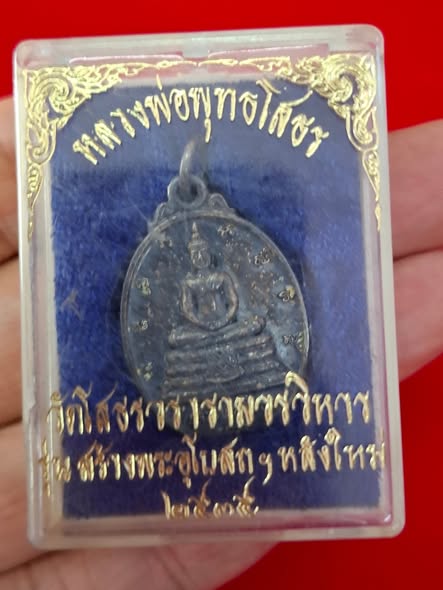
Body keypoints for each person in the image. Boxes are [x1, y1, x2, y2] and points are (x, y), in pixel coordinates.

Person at [0, 96, 441, 589]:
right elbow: (189, 312)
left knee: (253, 330)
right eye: (192, 257)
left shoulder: (221, 274)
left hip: (233, 331)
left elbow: (233, 306)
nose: (199, 261)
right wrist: (204, 326)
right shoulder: (191, 282)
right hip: (197, 339)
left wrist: (224, 324)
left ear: (209, 253)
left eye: (202, 255)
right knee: (179, 341)